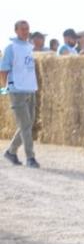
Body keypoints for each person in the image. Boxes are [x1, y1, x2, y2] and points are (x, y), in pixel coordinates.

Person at [1, 20, 40, 168]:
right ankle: (30, 157)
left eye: (27, 28)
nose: (25, 31)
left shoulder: (29, 47)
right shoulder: (11, 48)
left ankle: (11, 152)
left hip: (30, 89)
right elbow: (3, 70)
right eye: (22, 29)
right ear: (16, 31)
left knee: (28, 124)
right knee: (25, 125)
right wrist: (6, 88)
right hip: (17, 90)